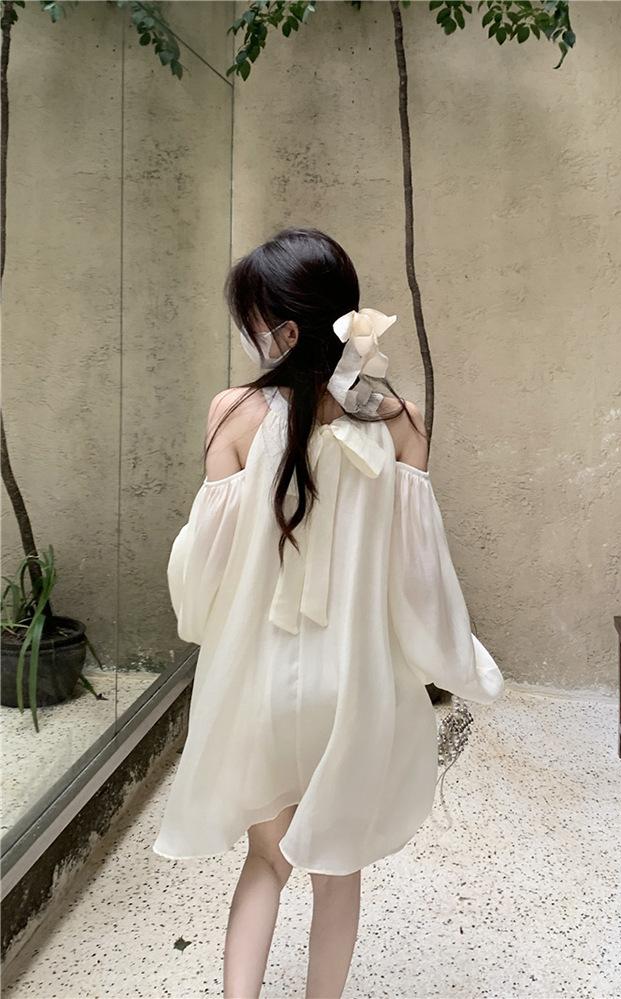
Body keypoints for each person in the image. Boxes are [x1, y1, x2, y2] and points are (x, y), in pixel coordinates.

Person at [152, 226, 505, 999]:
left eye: (251, 320)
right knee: (337, 874)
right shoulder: (400, 420)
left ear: (280, 330)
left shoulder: (231, 413)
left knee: (265, 860)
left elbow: (202, 570)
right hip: (354, 687)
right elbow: (419, 578)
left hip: (260, 684)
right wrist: (458, 662)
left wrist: (209, 618)